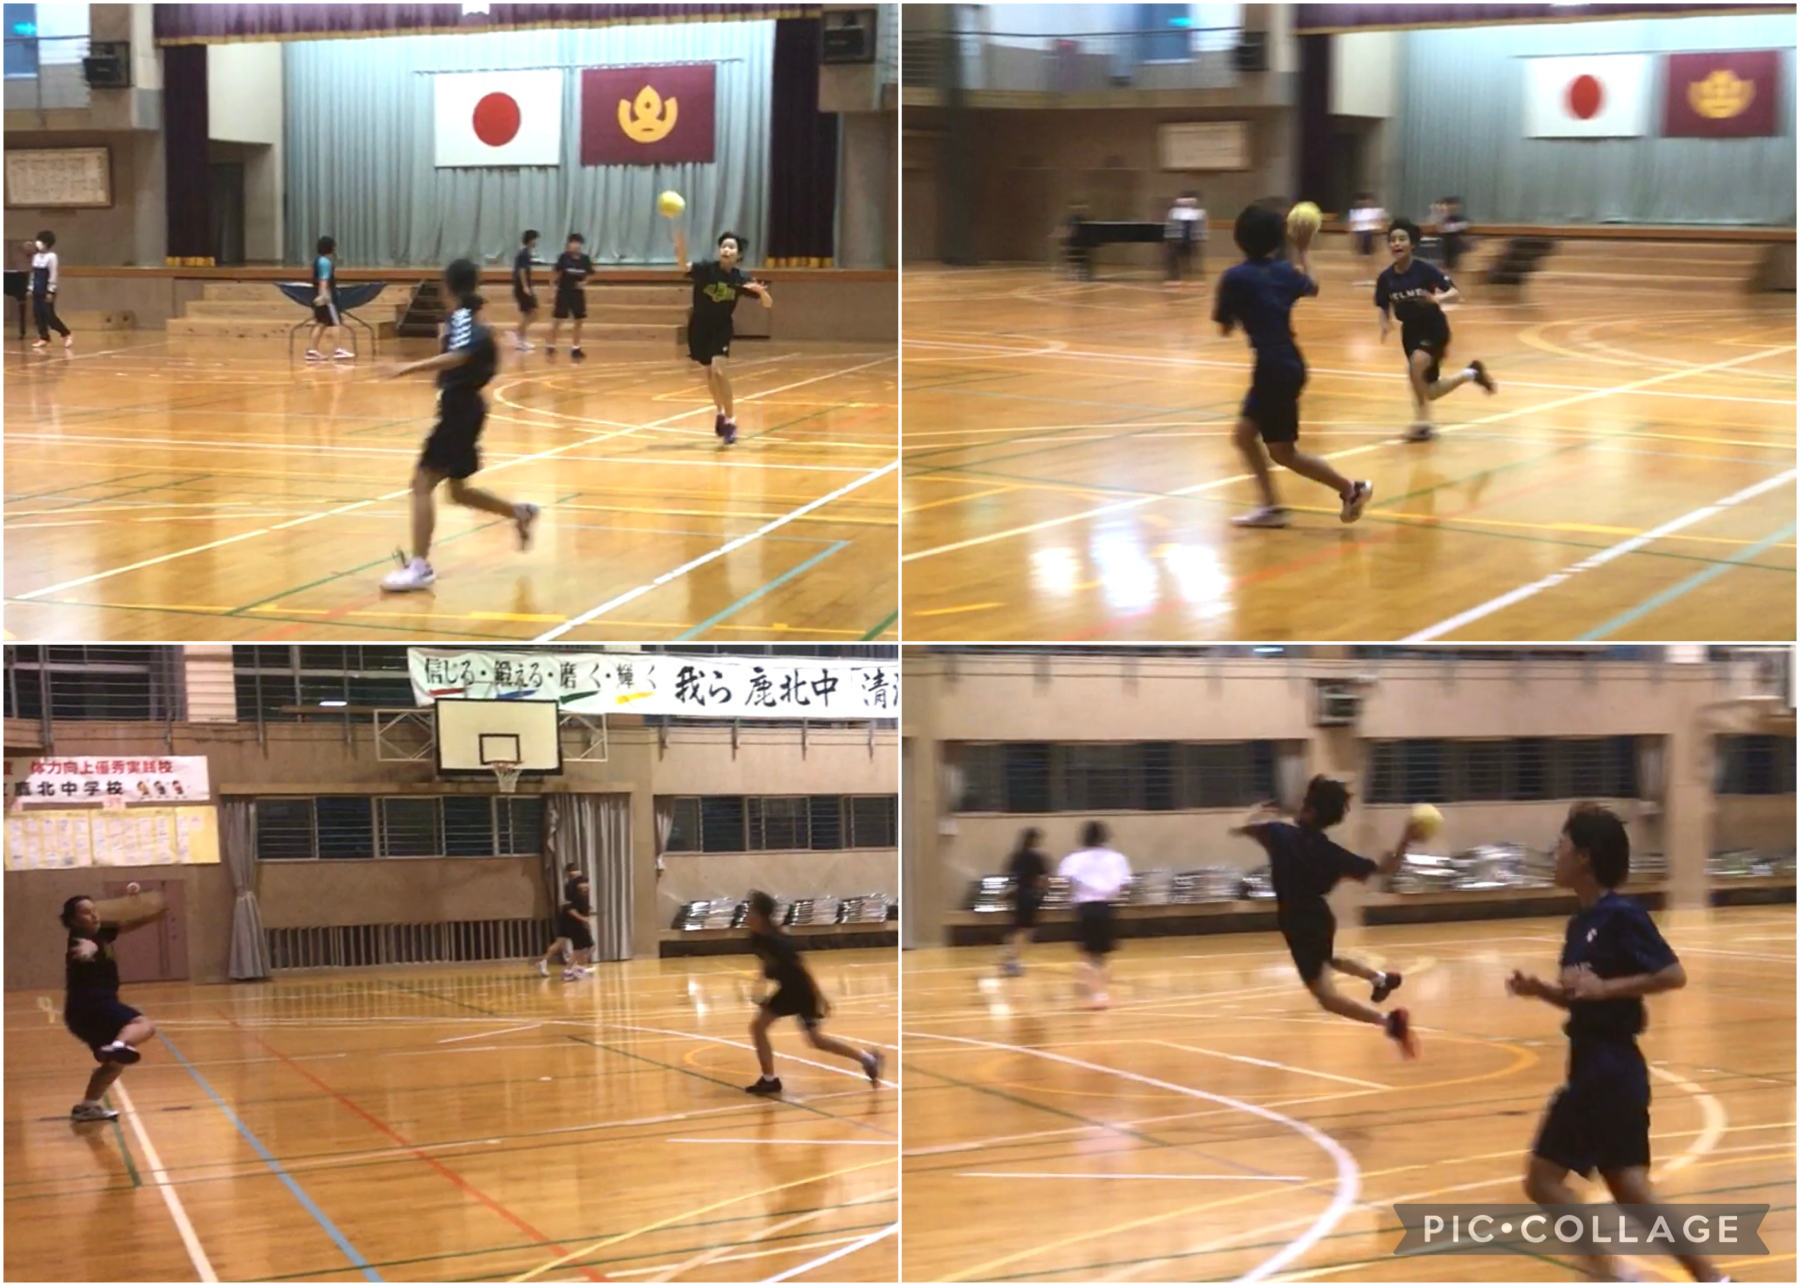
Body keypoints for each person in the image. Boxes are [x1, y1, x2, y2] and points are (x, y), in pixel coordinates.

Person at [1507, 805, 1725, 1284]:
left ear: (1584, 856)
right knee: (1629, 1188)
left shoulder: (1622, 915)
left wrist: (1606, 988)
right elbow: (1581, 998)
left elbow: (1672, 974)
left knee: (1542, 1180)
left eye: (1562, 846)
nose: (1555, 854)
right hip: (1600, 1067)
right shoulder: (1578, 924)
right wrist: (1541, 990)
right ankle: (1714, 1280)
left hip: (1608, 1068)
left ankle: (1610, 1276)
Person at [1232, 777, 1424, 1057]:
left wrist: (1257, 812)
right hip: (1319, 917)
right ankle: (1379, 979)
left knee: (1326, 997)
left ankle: (1390, 1022)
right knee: (1328, 960)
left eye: (1304, 804)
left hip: (1297, 922)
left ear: (1310, 811)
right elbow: (1385, 871)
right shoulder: (1333, 855)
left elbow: (1243, 828)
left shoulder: (1279, 834)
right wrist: (1406, 839)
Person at [380, 259, 539, 592]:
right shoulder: (466, 318)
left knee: (421, 483)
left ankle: (420, 567)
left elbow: (460, 355)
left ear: (447, 286)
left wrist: (406, 368)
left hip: (460, 410)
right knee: (458, 491)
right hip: (466, 408)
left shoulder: (463, 317)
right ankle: (520, 513)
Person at [1214, 203, 1374, 530]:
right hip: (1287, 362)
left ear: (1239, 237)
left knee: (1283, 453)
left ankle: (1349, 489)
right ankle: (1272, 505)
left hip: (1273, 368)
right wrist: (1303, 249)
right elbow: (1313, 284)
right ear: (1276, 240)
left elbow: (1224, 328)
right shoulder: (1284, 271)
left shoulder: (1234, 277)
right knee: (1244, 437)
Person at [743, 890, 884, 1095]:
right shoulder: (756, 938)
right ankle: (868, 1059)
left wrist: (820, 997)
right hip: (787, 990)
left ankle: (770, 1080)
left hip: (801, 992)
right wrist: (760, 984)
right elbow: (767, 963)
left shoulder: (778, 941)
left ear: (761, 915)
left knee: (806, 1038)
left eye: (751, 910)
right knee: (801, 1037)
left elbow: (802, 970)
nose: (747, 913)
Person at [1376, 217, 1496, 442]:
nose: (1396, 243)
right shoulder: (1386, 278)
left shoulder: (1425, 270)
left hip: (1433, 327)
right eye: (1392, 240)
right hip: (1410, 332)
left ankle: (1423, 424)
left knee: (1416, 365)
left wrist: (1437, 299)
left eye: (1402, 239)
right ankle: (1471, 373)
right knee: (1429, 391)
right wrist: (1384, 322)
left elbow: (1455, 293)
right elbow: (1382, 304)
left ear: (1412, 244)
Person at [61, 885, 166, 1122]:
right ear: (73, 921)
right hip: (91, 1005)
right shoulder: (80, 940)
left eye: (94, 910)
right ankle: (119, 1044)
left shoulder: (102, 932)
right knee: (143, 1024)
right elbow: (84, 950)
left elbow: (129, 923)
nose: (93, 915)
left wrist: (149, 908)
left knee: (114, 1063)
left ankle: (87, 1107)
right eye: (86, 912)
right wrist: (87, 952)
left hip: (82, 1012)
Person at [673, 226, 771, 446]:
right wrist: (680, 249)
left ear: (738, 254)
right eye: (724, 246)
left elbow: (768, 304)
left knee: (719, 370)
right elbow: (684, 265)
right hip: (699, 327)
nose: (726, 250)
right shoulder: (706, 270)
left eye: (731, 247)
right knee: (710, 374)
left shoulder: (740, 278)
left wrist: (761, 292)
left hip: (721, 327)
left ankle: (730, 420)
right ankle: (719, 413)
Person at [1058, 821, 1131, 1008]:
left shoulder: (1073, 859)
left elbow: (1066, 883)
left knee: (1090, 952)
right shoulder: (1117, 858)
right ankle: (1098, 994)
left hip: (1083, 906)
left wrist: (1071, 901)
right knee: (1100, 955)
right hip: (1106, 906)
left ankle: (1087, 982)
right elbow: (1125, 884)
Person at [1000, 826, 1050, 976]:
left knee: (1018, 928)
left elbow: (1010, 876)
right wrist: (1043, 894)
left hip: (1016, 895)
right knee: (1025, 929)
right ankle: (1012, 959)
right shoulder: (1036, 857)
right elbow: (1043, 878)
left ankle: (1010, 952)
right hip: (1029, 895)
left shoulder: (1015, 856)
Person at [545, 232, 592, 361]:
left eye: (577, 243)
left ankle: (576, 348)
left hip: (578, 294)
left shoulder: (585, 259)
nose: (575, 245)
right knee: (558, 320)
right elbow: (554, 274)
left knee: (579, 320)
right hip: (563, 292)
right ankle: (551, 345)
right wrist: (551, 291)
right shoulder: (563, 258)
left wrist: (584, 282)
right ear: (569, 244)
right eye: (573, 243)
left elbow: (590, 274)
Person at [307, 235, 352, 362]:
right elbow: (324, 279)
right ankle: (338, 349)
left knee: (321, 323)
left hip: (320, 295)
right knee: (336, 322)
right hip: (327, 297)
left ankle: (312, 351)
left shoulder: (318, 261)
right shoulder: (325, 263)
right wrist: (323, 295)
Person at [535, 862, 584, 977]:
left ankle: (544, 962)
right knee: (577, 943)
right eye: (574, 871)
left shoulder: (572, 885)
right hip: (569, 917)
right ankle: (573, 967)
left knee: (561, 942)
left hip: (567, 916)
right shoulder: (572, 885)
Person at [29, 229, 72, 350]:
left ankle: (65, 334)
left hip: (46, 290)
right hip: (36, 289)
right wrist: (30, 287)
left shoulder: (52, 257)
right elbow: (33, 274)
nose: (38, 243)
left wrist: (50, 290)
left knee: (49, 316)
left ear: (47, 243)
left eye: (41, 241)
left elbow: (53, 274)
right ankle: (44, 337)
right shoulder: (36, 257)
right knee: (38, 315)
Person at [1164, 192, 1205, 287]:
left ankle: (1194, 277)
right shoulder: (1174, 212)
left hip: (1190, 240)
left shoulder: (1198, 213)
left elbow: (1199, 227)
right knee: (1175, 259)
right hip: (1177, 239)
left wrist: (1200, 237)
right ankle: (1175, 278)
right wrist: (1170, 238)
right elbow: (1171, 226)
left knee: (1191, 259)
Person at [1347, 193, 1384, 285]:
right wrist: (1352, 237)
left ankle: (1372, 277)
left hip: (1370, 233)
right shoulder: (1354, 212)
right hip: (1359, 234)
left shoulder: (1375, 211)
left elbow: (1379, 224)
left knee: (1371, 258)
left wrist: (1378, 238)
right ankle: (1362, 278)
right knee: (1360, 258)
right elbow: (1352, 225)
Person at [511, 229, 539, 353]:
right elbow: (521, 271)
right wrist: (525, 287)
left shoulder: (527, 254)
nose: (536, 242)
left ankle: (520, 337)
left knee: (531, 314)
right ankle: (518, 336)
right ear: (530, 240)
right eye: (535, 239)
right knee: (530, 313)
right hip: (521, 288)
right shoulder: (523, 254)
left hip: (525, 287)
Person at [1440, 196, 1470, 274]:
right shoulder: (1444, 219)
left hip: (1458, 252)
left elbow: (1465, 225)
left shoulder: (1461, 219)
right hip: (1448, 253)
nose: (1448, 208)